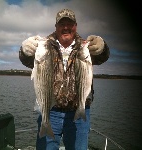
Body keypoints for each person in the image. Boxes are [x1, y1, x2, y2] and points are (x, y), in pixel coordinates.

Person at [19, 8, 109, 150]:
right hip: (50, 110)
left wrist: (102, 47)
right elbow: (28, 61)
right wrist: (24, 51)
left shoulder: (85, 47)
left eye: (70, 24)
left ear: (75, 26)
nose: (66, 27)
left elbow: (102, 57)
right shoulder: (44, 46)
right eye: (62, 24)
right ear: (56, 27)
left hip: (79, 112)